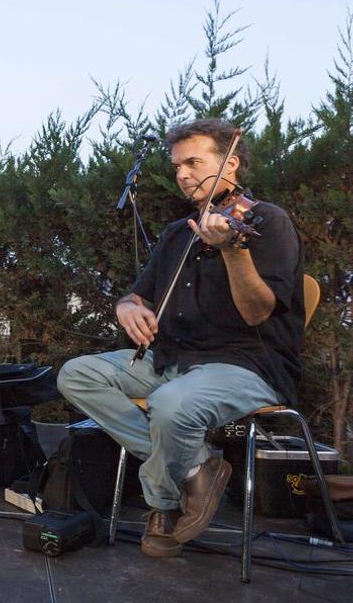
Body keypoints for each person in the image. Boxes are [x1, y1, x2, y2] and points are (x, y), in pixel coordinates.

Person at [58, 118, 304, 558]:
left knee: (171, 404)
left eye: (194, 162)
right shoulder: (178, 233)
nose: (183, 174)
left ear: (231, 163)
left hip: (246, 364)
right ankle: (197, 466)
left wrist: (232, 249)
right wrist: (127, 307)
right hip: (173, 360)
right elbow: (136, 295)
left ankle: (162, 499)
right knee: (77, 374)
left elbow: (257, 311)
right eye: (176, 166)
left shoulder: (268, 221)